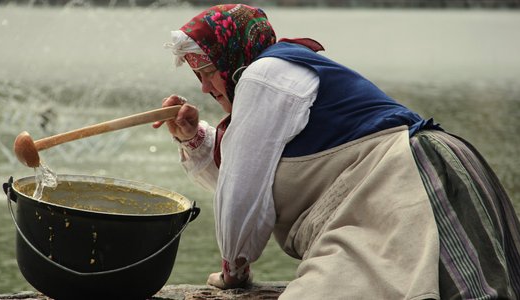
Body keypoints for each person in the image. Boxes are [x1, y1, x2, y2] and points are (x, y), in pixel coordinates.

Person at [153, 4, 520, 299]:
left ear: (230, 55)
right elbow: (261, 171)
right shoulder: (276, 75)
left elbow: (242, 190)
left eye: (206, 71)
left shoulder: (262, 75)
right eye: (196, 76)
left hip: (412, 183)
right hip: (400, 187)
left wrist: (234, 269)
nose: (203, 88)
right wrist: (193, 138)